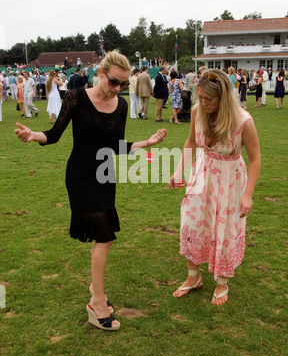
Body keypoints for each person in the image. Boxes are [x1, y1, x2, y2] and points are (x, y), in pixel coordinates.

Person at [15, 51, 167, 332]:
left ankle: (96, 291)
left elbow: (116, 146)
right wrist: (33, 136)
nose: (117, 88)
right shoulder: (77, 97)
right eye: (113, 82)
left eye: (122, 84)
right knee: (103, 235)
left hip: (106, 175)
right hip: (81, 175)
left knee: (105, 237)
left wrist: (147, 142)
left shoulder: (120, 106)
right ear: (100, 73)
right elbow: (54, 134)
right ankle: (97, 301)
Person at [169, 69, 260, 306]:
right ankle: (193, 277)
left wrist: (248, 194)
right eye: (201, 97)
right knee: (192, 223)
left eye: (209, 99)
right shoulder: (199, 111)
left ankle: (222, 282)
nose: (203, 103)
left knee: (225, 229)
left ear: (223, 97)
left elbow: (255, 159)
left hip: (230, 181)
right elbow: (190, 142)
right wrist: (179, 171)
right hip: (202, 174)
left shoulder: (243, 121)